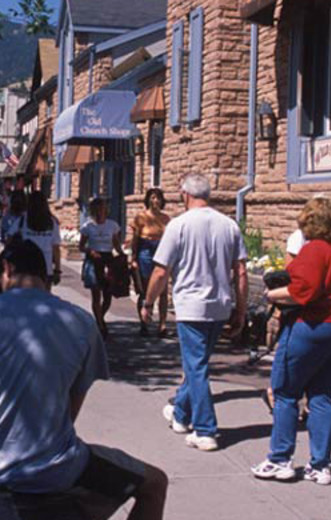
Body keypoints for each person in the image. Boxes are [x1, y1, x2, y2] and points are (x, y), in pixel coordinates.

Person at [0, 239, 167, 520]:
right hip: (58, 471)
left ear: (6, 268)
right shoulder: (81, 321)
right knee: (155, 484)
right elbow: (69, 412)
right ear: (47, 276)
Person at [251, 197, 331, 486]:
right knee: (322, 396)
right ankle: (320, 465)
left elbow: (301, 292)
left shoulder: (314, 251)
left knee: (285, 392)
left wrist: (271, 294)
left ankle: (280, 459)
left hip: (309, 326)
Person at [142, 173, 248, 452]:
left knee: (196, 366)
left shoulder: (178, 225)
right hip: (220, 304)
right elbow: (241, 271)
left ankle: (205, 429)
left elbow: (161, 270)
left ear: (186, 195)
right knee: (197, 364)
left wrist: (147, 302)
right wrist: (241, 308)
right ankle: (181, 413)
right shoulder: (229, 225)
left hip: (191, 305)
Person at [80, 197, 124, 338]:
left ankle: (100, 317)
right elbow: (81, 246)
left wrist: (122, 255)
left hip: (107, 258)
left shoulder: (112, 225)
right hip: (94, 259)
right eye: (98, 208)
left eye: (103, 208)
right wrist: (90, 251)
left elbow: (116, 243)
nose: (101, 211)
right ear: (94, 210)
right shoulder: (88, 226)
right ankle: (100, 324)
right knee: (96, 294)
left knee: (108, 294)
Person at [130, 188, 170, 337]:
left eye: (158, 198)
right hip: (145, 251)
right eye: (153, 198)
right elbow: (135, 240)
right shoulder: (141, 218)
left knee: (163, 289)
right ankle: (144, 321)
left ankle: (162, 324)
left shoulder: (166, 219)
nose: (156, 201)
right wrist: (133, 258)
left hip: (161, 250)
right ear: (148, 200)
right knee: (146, 290)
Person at [6, 191, 62, 288]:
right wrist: (57, 269)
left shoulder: (23, 219)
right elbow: (56, 248)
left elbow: (9, 237)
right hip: (46, 265)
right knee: (44, 299)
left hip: (26, 265)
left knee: (26, 297)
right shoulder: (52, 222)